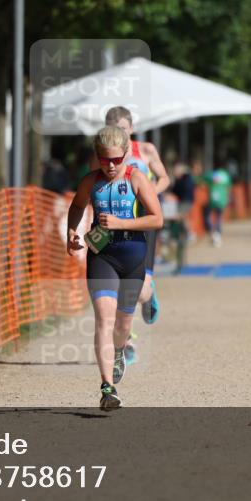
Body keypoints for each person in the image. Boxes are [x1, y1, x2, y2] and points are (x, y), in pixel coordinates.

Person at [66, 126, 163, 410]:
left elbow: (156, 219)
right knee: (103, 320)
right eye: (104, 159)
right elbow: (76, 205)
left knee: (122, 326)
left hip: (132, 259)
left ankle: (120, 349)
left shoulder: (137, 179)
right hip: (102, 258)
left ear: (125, 155)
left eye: (116, 160)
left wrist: (122, 224)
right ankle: (107, 388)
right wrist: (72, 232)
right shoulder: (90, 181)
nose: (110, 166)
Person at [101, 107, 171, 330]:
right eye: (113, 129)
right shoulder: (104, 156)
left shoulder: (146, 150)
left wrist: (150, 192)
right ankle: (125, 340)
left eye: (122, 129)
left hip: (144, 220)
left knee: (140, 293)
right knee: (116, 287)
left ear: (131, 128)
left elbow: (164, 178)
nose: (118, 133)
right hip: (115, 222)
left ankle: (149, 295)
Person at [202, 163, 232, 247]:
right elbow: (228, 187)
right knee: (219, 217)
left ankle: (212, 232)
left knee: (208, 215)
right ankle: (217, 233)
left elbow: (203, 180)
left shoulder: (211, 175)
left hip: (212, 200)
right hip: (222, 200)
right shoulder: (225, 176)